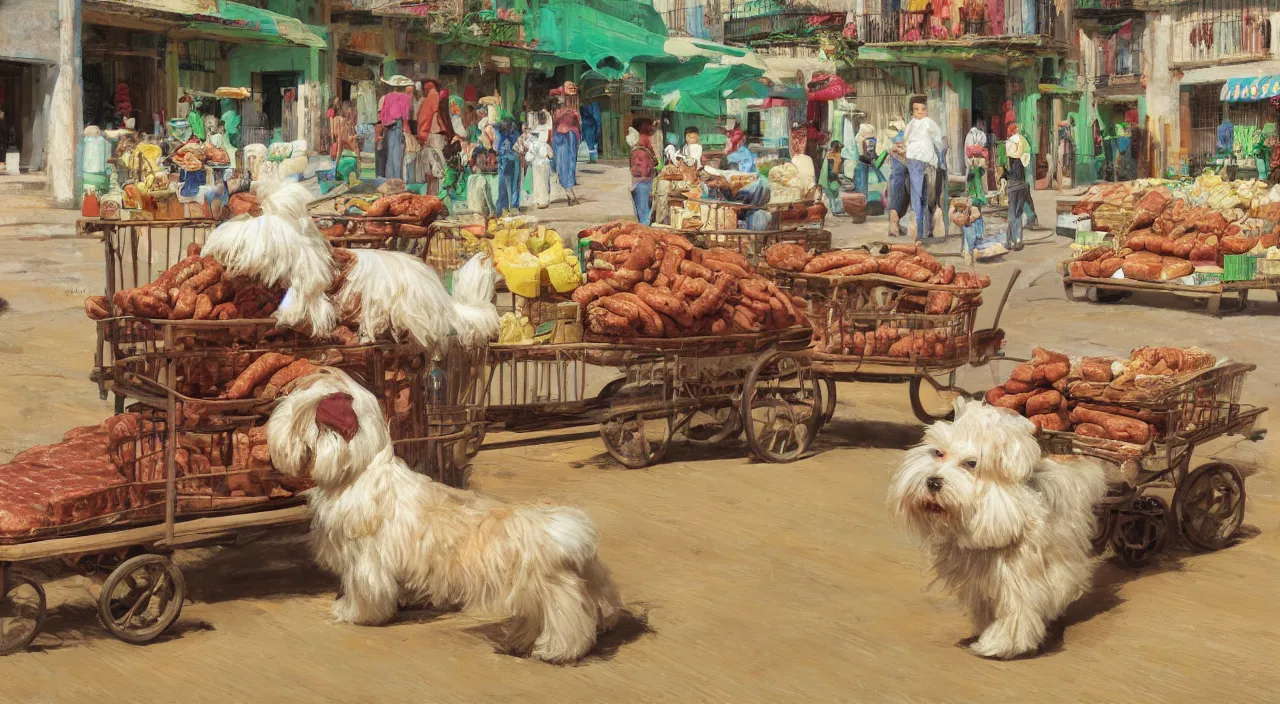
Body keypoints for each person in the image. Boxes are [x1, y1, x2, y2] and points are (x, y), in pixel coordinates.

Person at [903, 95, 944, 242]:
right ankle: (922, 231)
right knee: (926, 196)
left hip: (921, 161)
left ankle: (922, 232)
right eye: (916, 109)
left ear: (926, 111)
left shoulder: (927, 123)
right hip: (923, 161)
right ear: (912, 112)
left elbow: (905, 141)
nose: (919, 112)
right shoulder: (914, 124)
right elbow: (938, 142)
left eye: (922, 109)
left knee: (920, 196)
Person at [551, 82, 583, 205]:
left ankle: (569, 192)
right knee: (567, 165)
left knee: (565, 165)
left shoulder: (561, 113)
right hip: (567, 137)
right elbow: (578, 126)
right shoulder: (572, 113)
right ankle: (569, 192)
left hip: (565, 137)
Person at [378, 75, 415, 181]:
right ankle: (397, 180)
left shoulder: (388, 96)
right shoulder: (405, 98)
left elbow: (383, 116)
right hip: (398, 126)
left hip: (389, 127)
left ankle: (390, 180)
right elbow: (405, 116)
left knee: (390, 155)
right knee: (397, 155)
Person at [1005, 122, 1033, 250]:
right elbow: (1026, 161)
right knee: (1017, 213)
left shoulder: (1009, 148)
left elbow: (1005, 169)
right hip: (1021, 185)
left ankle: (1011, 241)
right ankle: (1016, 240)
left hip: (1013, 185)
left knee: (1012, 214)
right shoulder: (1023, 144)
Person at [629, 118, 658, 226]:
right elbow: (654, 160)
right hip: (644, 183)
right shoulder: (645, 140)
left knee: (641, 211)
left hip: (637, 182)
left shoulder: (636, 145)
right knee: (645, 213)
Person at [886, 118, 909, 237]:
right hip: (902, 164)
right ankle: (894, 221)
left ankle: (895, 221)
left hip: (910, 163)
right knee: (898, 185)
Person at [495, 115, 522, 215]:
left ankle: (512, 207)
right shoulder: (501, 134)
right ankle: (505, 207)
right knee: (505, 185)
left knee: (513, 184)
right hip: (506, 161)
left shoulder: (512, 134)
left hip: (511, 160)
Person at [950, 198, 985, 265]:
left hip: (974, 224)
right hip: (968, 226)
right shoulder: (955, 214)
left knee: (975, 239)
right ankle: (969, 256)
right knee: (968, 241)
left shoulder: (973, 210)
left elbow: (977, 215)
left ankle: (972, 255)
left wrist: (971, 218)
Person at [526, 123, 553, 209]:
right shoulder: (545, 144)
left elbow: (529, 157)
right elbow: (551, 155)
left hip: (535, 165)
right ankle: (544, 201)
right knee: (544, 183)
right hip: (544, 164)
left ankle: (537, 200)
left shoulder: (531, 145)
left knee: (537, 183)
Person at [964, 116, 989, 206]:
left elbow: (978, 147)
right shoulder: (973, 134)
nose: (982, 124)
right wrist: (978, 150)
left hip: (974, 160)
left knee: (976, 177)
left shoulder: (978, 134)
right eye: (981, 122)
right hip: (974, 160)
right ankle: (978, 197)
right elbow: (973, 148)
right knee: (976, 178)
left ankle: (977, 196)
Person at [820, 141, 844, 215]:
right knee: (832, 193)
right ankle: (835, 209)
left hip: (834, 175)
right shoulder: (833, 155)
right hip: (831, 175)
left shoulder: (835, 155)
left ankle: (836, 209)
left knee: (834, 193)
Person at [854, 123, 877, 195]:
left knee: (861, 181)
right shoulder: (865, 140)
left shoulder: (859, 138)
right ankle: (863, 196)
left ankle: (862, 196)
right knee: (863, 180)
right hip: (864, 160)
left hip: (862, 160)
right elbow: (865, 152)